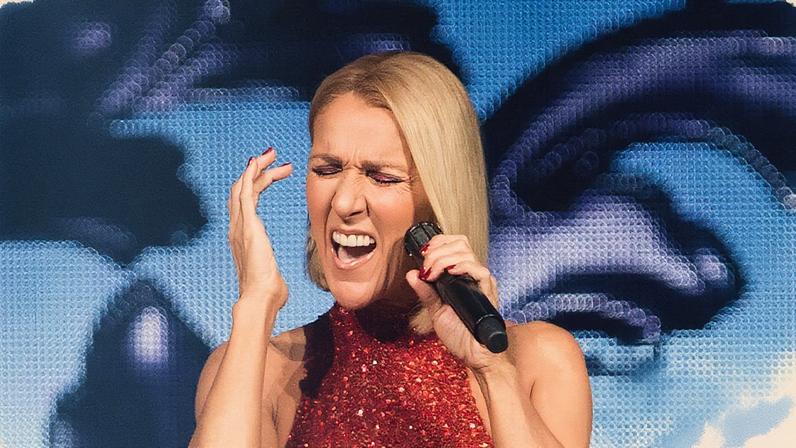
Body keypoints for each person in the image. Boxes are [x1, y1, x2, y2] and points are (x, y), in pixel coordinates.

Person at [189, 51, 592, 447]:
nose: (344, 203)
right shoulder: (257, 370)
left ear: (438, 198)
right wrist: (256, 303)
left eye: (382, 177)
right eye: (327, 170)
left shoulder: (540, 361)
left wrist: (494, 370)